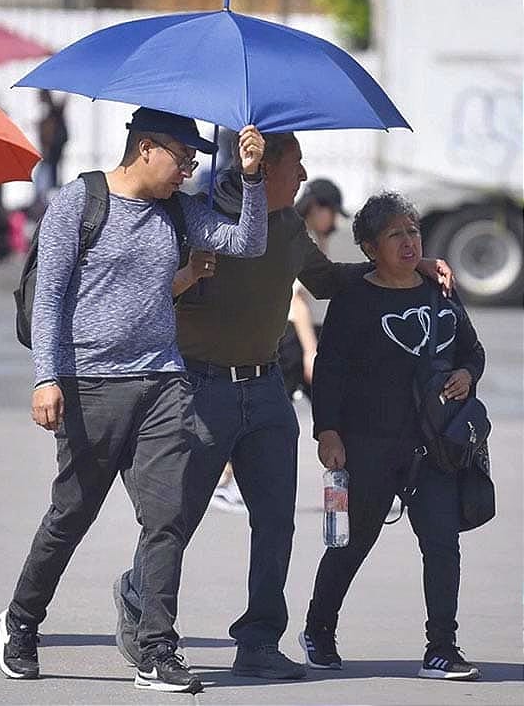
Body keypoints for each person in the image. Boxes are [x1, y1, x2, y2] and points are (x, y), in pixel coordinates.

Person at [115, 132, 455, 680]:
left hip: (267, 391)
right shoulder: (198, 218)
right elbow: (147, 292)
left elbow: (329, 280)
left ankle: (259, 640)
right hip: (201, 390)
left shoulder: (291, 225)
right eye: (295, 165)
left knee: (275, 522)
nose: (302, 176)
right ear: (262, 166)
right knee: (176, 520)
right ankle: (144, 607)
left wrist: (407, 264)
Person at [0, 107, 268, 694]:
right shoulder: (80, 202)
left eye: (196, 159)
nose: (189, 169)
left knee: (166, 517)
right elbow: (48, 299)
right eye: (183, 157)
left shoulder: (176, 209)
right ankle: (21, 621)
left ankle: (156, 649)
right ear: (147, 148)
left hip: (164, 381)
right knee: (72, 515)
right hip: (89, 383)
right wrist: (47, 378)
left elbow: (247, 242)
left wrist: (250, 176)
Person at [299, 191, 485, 681]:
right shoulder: (355, 298)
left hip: (435, 446)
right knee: (353, 542)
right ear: (368, 247)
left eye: (413, 231)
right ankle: (319, 628)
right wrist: (328, 432)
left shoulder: (439, 289)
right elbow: (330, 368)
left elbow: (472, 350)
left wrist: (467, 374)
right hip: (369, 444)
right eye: (395, 235)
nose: (408, 242)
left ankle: (442, 647)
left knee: (442, 543)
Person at [280, 178, 349, 399]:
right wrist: (311, 352)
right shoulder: (303, 239)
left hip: (309, 333)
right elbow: (297, 301)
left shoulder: (308, 236)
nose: (334, 221)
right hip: (298, 335)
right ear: (316, 207)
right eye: (332, 213)